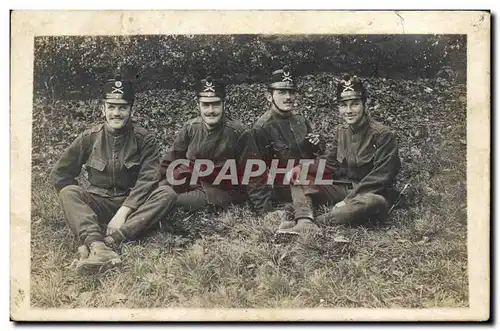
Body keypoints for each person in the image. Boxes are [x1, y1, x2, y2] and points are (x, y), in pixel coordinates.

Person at [50, 75, 177, 273]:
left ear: (131, 110)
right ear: (103, 109)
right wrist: (77, 208)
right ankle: (96, 243)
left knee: (167, 194)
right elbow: (60, 174)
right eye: (111, 107)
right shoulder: (88, 138)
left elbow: (148, 179)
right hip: (98, 202)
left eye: (122, 107)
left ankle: (112, 240)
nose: (116, 113)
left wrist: (124, 212)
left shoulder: (144, 139)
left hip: (133, 206)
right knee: (68, 192)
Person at [277, 74, 401, 235]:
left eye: (354, 104)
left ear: (365, 104)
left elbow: (381, 177)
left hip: (372, 193)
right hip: (344, 187)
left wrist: (347, 201)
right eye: (343, 105)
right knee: (298, 177)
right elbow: (329, 163)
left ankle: (319, 221)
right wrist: (301, 168)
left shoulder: (383, 134)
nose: (348, 111)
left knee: (372, 203)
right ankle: (304, 220)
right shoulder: (341, 132)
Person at [159, 76, 257, 212]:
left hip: (218, 190)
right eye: (205, 104)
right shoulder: (191, 128)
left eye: (215, 104)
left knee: (169, 201)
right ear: (198, 105)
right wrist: (156, 184)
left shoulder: (237, 132)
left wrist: (263, 209)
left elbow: (253, 173)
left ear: (224, 104)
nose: (211, 110)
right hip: (189, 181)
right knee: (154, 194)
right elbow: (170, 160)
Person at [249, 66, 326, 225]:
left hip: (309, 178)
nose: (288, 97)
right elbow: (255, 172)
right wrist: (264, 211)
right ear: (268, 96)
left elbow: (314, 154)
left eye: (291, 92)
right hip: (285, 186)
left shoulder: (300, 120)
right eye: (282, 92)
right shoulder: (262, 128)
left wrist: (319, 143)